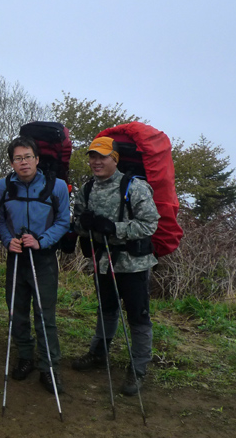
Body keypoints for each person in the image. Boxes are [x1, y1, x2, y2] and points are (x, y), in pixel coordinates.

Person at [70, 136, 159, 396]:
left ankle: (139, 367)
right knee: (106, 309)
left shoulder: (134, 187)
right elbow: (77, 223)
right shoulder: (87, 190)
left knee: (138, 316)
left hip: (134, 263)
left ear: (115, 159)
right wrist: (83, 225)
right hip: (103, 261)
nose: (96, 162)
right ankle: (98, 353)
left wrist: (115, 228)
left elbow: (150, 223)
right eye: (92, 157)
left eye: (102, 157)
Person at [0, 136, 70, 393]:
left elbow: (63, 222)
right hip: (16, 258)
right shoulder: (1, 187)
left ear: (37, 159)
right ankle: (25, 357)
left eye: (27, 157)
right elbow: (0, 220)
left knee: (44, 315)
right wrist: (7, 241)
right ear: (12, 162)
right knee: (17, 312)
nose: (23, 162)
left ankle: (50, 367)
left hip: (43, 258)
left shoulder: (56, 186)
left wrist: (42, 241)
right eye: (18, 158)